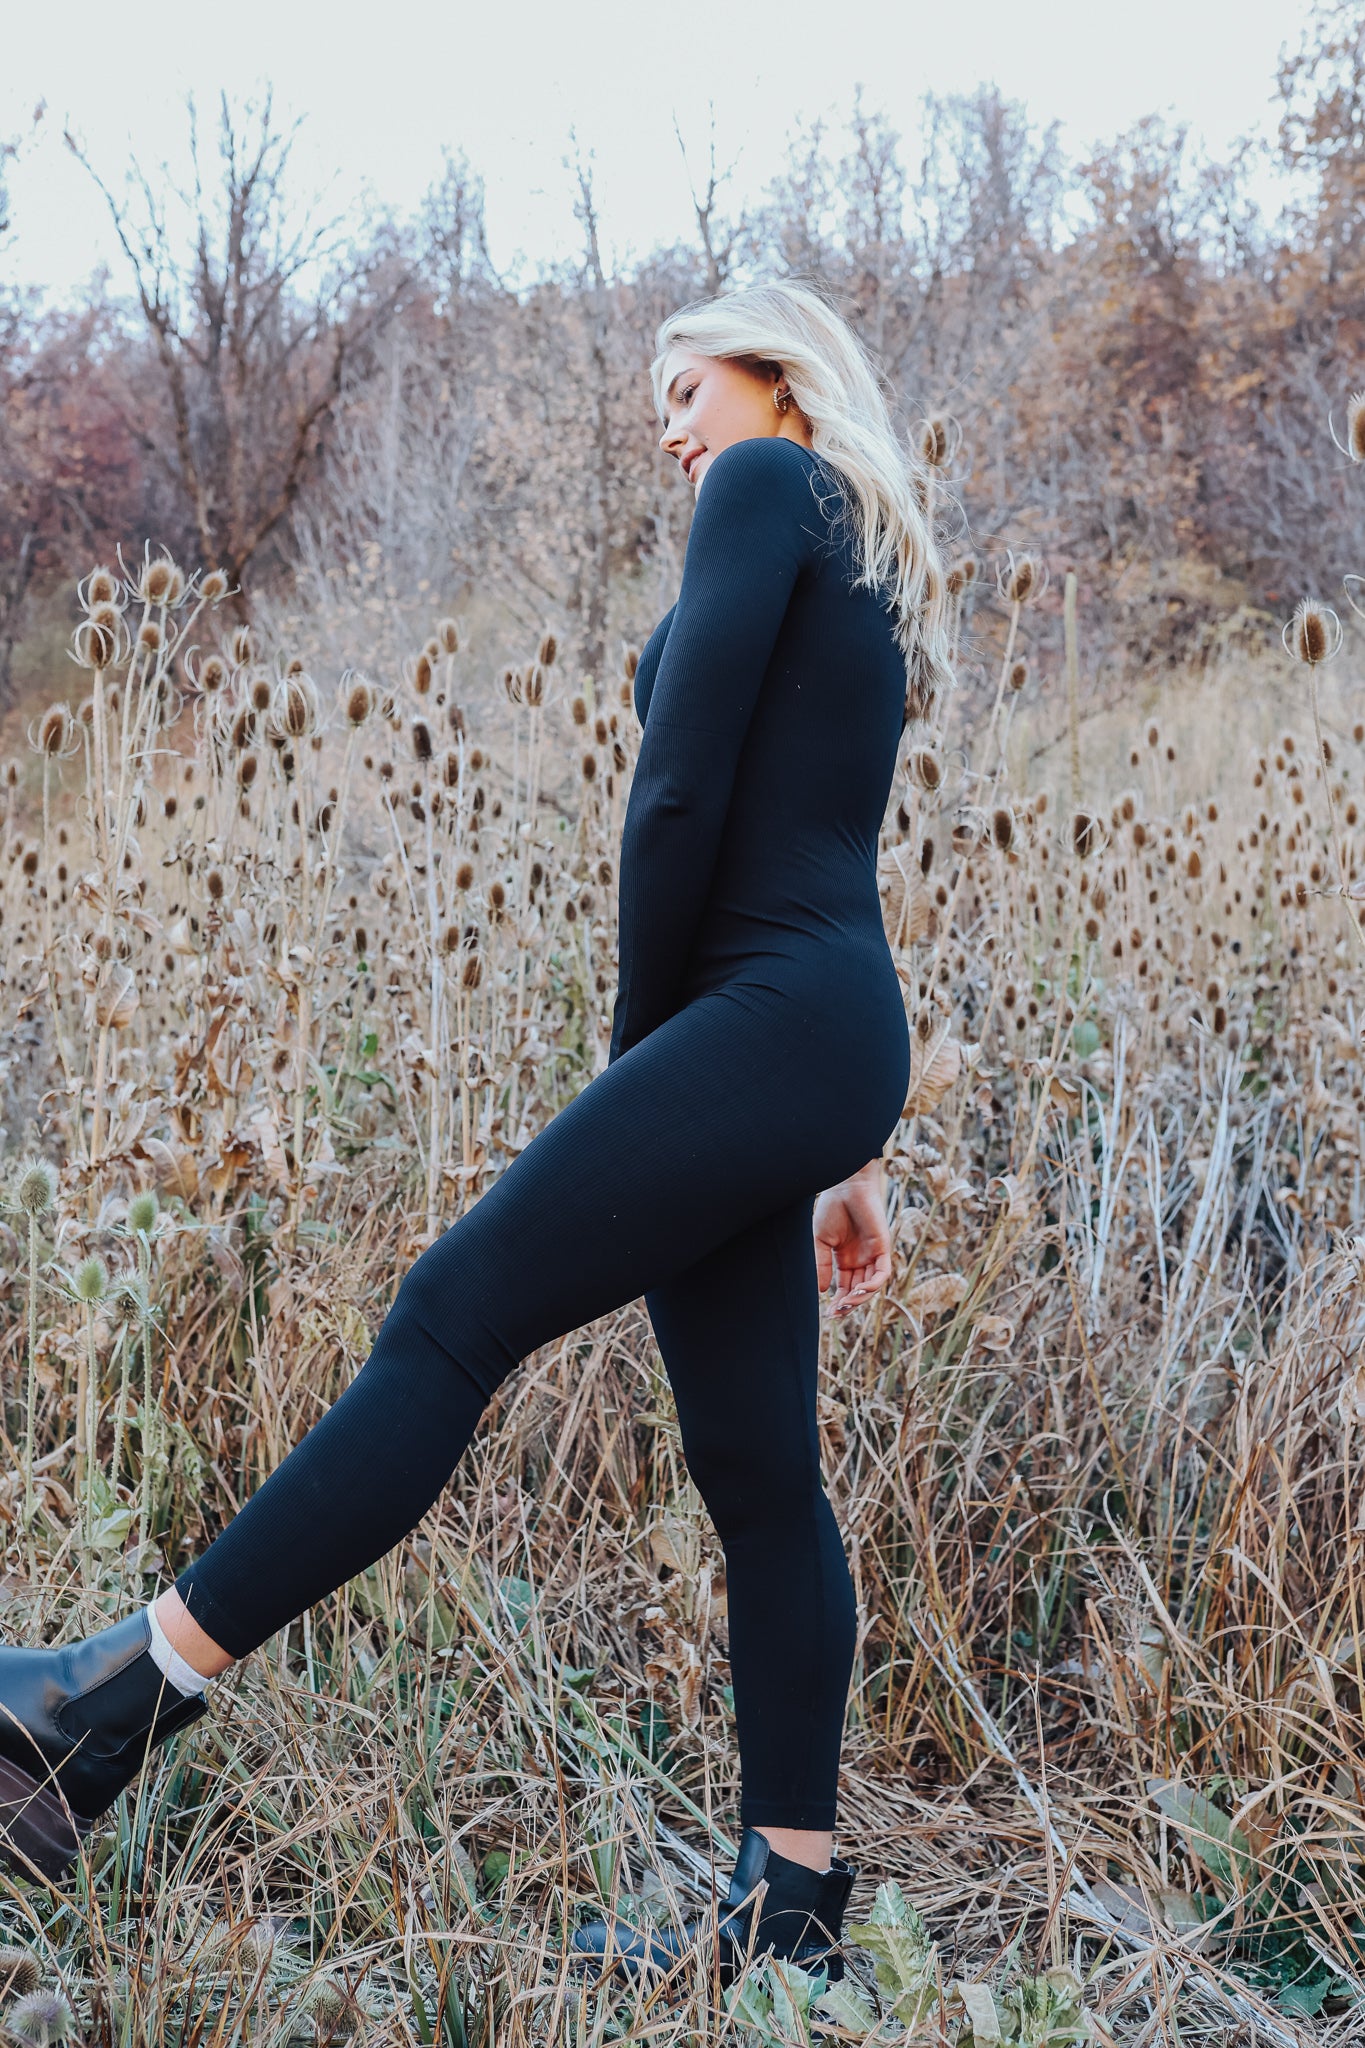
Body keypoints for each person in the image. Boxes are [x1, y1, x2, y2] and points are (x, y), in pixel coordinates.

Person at [0, 277, 951, 1985]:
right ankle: (789, 1919)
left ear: (780, 373)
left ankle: (115, 1700)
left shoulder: (765, 486)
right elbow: (825, 841)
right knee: (755, 1472)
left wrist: (640, 1065)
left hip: (760, 1029)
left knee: (452, 1310)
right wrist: (831, 1136)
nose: (670, 426)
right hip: (806, 1037)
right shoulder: (857, 546)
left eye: (690, 384)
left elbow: (678, 794)